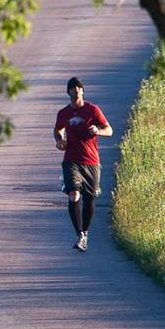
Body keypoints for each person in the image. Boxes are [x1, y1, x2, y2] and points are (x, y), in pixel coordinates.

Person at [53, 76, 112, 251]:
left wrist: (98, 131)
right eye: (73, 87)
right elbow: (57, 130)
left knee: (90, 199)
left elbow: (109, 130)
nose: (76, 90)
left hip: (92, 161)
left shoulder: (93, 110)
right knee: (74, 195)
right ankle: (80, 234)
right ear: (68, 92)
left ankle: (85, 232)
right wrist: (59, 140)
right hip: (71, 160)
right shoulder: (63, 113)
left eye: (79, 87)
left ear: (83, 91)